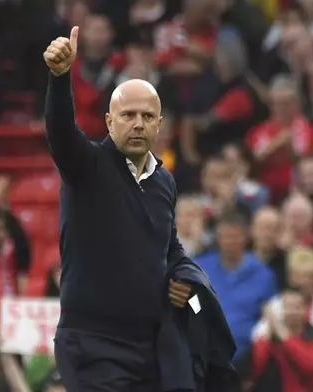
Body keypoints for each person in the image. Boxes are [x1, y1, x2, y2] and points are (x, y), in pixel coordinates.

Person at [43, 26, 235, 392]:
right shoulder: (87, 166)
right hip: (92, 344)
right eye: (128, 115)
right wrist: (59, 78)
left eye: (147, 117)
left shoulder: (164, 181)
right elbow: (61, 132)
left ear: (160, 125)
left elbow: (169, 247)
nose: (137, 124)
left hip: (151, 347)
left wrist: (186, 281)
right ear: (108, 122)